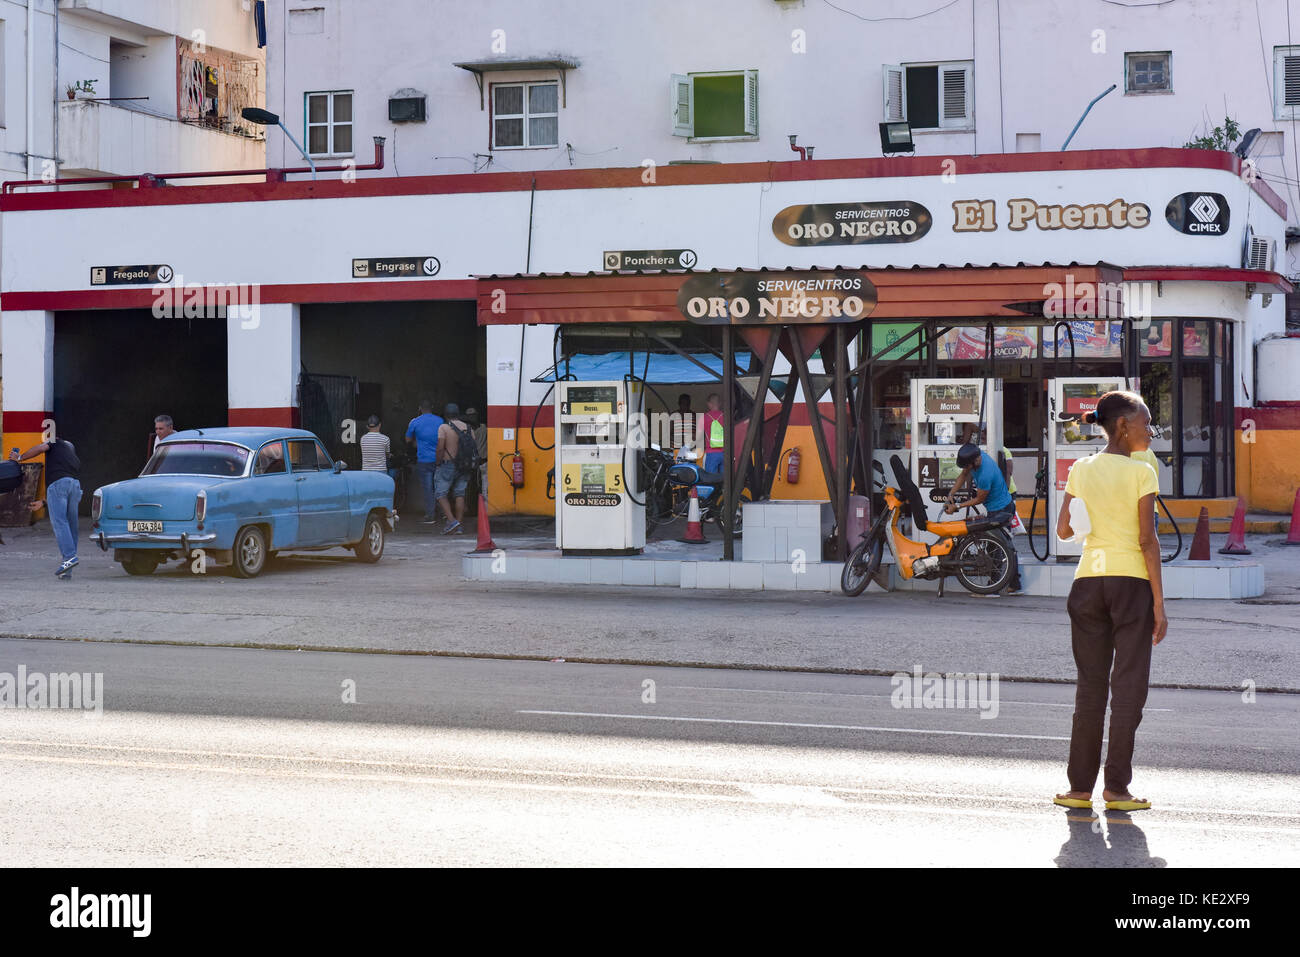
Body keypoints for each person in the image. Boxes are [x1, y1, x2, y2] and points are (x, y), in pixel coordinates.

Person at [1053, 391, 1166, 813]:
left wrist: (1090, 521)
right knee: (1129, 688)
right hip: (1130, 584)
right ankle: (1116, 790)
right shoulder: (1142, 473)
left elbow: (1064, 530)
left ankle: (1078, 789)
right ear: (1123, 426)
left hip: (1087, 584)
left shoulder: (1081, 468)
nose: (1149, 430)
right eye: (1145, 422)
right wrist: (1159, 602)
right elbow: (1146, 541)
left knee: (1090, 688)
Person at [944, 441, 1022, 595]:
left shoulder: (986, 473)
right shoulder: (975, 458)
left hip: (1001, 510)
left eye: (967, 466)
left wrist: (957, 506)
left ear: (975, 461)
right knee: (1005, 546)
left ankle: (992, 588)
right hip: (997, 507)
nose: (966, 469)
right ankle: (1014, 584)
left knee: (996, 547)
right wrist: (951, 494)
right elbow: (963, 475)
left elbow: (979, 499)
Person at [11, 437, 83, 579]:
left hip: (58, 485)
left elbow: (41, 448)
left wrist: (20, 457)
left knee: (60, 523)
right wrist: (44, 502)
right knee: (71, 526)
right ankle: (67, 571)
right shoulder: (74, 461)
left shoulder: (56, 442)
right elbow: (65, 486)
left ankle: (69, 558)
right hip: (75, 487)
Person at [434, 404, 472, 534]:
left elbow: (440, 448)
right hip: (465, 465)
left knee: (440, 493)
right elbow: (473, 447)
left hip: (447, 464)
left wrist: (438, 462)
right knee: (460, 494)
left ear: (445, 415)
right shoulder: (468, 428)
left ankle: (452, 521)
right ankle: (459, 526)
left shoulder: (444, 427)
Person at [405, 399, 444, 524]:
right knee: (440, 487)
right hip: (439, 459)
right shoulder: (440, 421)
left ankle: (430, 515)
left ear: (420, 408)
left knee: (428, 488)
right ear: (432, 407)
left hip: (424, 460)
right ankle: (443, 513)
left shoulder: (415, 422)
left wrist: (418, 440)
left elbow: (407, 440)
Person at [697, 392, 725, 473]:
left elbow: (698, 436)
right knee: (725, 480)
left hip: (711, 453)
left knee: (711, 480)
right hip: (725, 453)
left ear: (709, 404)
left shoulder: (704, 418)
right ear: (720, 403)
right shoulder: (726, 416)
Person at [465, 407, 488, 496]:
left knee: (483, 488)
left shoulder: (484, 428)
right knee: (472, 487)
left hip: (482, 462)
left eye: (473, 416)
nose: (472, 418)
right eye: (470, 416)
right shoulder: (465, 430)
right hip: (472, 463)